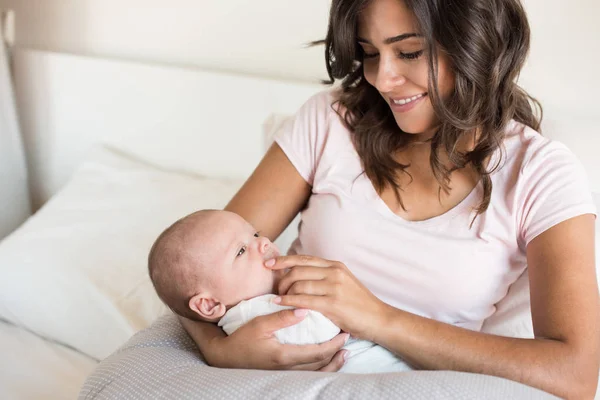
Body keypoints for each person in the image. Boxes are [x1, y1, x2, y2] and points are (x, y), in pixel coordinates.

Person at [178, 0, 599, 397]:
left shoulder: (539, 174)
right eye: (370, 53)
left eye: (410, 52)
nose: (382, 78)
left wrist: (377, 318)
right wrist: (219, 348)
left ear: (476, 42)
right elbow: (193, 268)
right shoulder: (331, 123)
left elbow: (575, 374)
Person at [148, 209, 413, 373]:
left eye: (255, 235)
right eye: (241, 251)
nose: (263, 243)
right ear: (208, 305)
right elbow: (323, 328)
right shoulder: (257, 315)